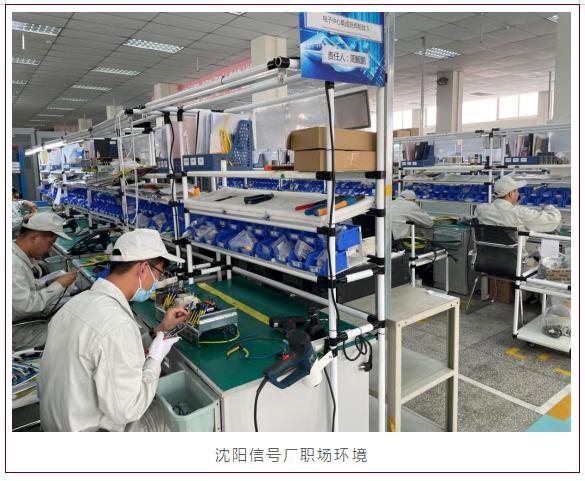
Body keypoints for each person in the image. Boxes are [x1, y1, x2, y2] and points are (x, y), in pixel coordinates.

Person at [39, 229, 189, 432]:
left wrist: (160, 330)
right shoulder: (117, 325)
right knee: (174, 414)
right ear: (143, 268)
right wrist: (154, 360)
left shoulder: (76, 304)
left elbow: (110, 352)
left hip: (57, 425)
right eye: (159, 274)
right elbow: (128, 410)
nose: (157, 282)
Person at [13, 212, 77, 323]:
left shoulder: (17, 256)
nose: (49, 249)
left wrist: (47, 284)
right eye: (50, 243)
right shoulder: (13, 264)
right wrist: (59, 285)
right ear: (34, 238)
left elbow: (25, 288)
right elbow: (26, 307)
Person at [475, 176, 561, 232]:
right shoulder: (520, 212)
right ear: (511, 194)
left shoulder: (481, 209)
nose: (518, 193)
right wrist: (548, 207)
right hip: (515, 254)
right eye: (517, 191)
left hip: (486, 253)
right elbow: (554, 219)